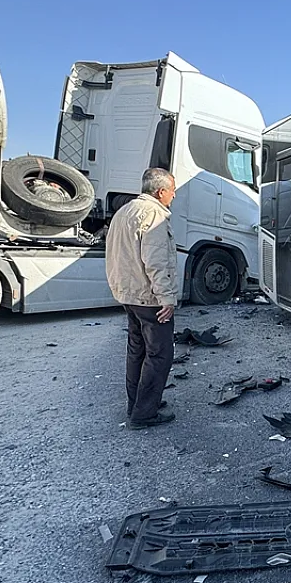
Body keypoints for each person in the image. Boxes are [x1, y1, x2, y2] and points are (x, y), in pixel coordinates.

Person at [105, 168, 179, 429]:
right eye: (172, 190)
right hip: (150, 298)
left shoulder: (125, 211)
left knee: (137, 351)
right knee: (160, 354)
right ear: (160, 192)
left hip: (129, 294)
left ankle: (136, 403)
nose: (174, 195)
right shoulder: (154, 214)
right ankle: (144, 413)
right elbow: (155, 261)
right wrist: (166, 298)